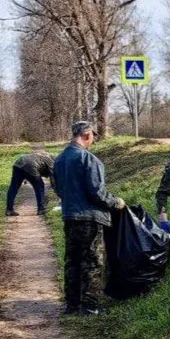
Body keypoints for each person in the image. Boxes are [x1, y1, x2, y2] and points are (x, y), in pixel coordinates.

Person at [53, 121, 126, 315]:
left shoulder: (59, 160)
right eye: (93, 136)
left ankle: (72, 304)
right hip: (90, 218)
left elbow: (58, 189)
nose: (93, 139)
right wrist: (115, 202)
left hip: (69, 216)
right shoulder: (89, 160)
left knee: (72, 260)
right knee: (93, 261)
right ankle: (90, 306)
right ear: (87, 135)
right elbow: (97, 192)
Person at [5, 147, 54, 216]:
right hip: (32, 166)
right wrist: (56, 190)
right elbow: (53, 178)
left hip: (18, 163)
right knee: (40, 186)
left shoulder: (45, 156)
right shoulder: (53, 162)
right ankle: (41, 209)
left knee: (14, 187)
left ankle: (9, 210)